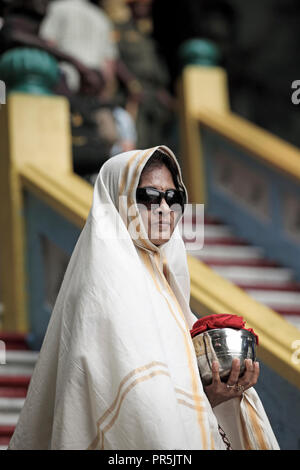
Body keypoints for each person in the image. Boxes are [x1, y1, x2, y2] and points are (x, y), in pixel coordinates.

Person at [8, 146, 279, 450]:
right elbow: (133, 414)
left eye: (173, 198)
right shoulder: (102, 290)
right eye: (149, 197)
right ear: (118, 202)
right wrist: (203, 400)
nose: (164, 208)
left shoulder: (163, 279)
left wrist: (220, 390)